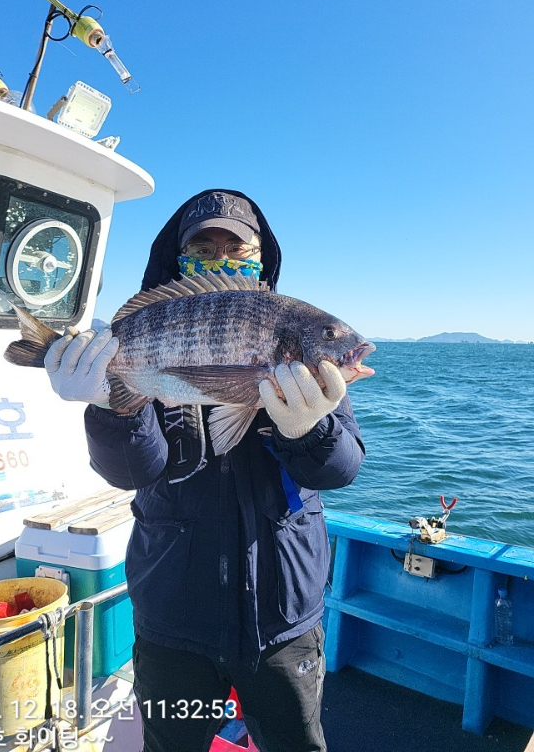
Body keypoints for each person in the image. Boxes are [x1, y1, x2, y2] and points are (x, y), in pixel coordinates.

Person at [43, 189, 367, 752]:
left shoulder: (308, 360)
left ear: (261, 257)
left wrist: (308, 428)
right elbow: (131, 471)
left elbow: (341, 470)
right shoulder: (156, 328)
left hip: (282, 618)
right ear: (179, 256)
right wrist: (110, 406)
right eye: (203, 247)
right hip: (173, 616)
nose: (221, 257)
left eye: (237, 247)